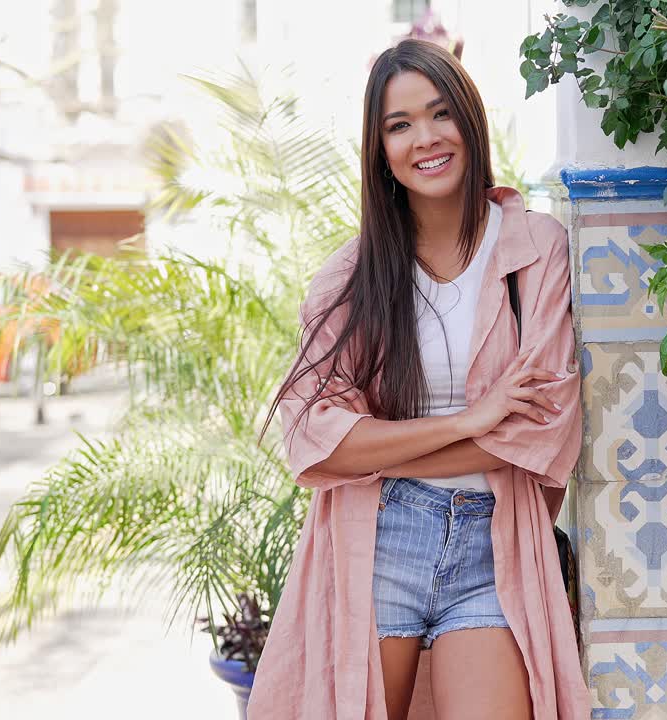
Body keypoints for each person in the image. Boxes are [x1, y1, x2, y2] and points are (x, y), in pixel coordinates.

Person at [250, 39, 591, 720]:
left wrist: (381, 446)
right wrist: (469, 421)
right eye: (399, 125)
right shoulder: (349, 278)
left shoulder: (535, 250)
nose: (425, 139)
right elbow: (317, 441)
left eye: (440, 114)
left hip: (493, 546)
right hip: (376, 541)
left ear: (470, 121)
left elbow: (544, 432)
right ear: (380, 150)